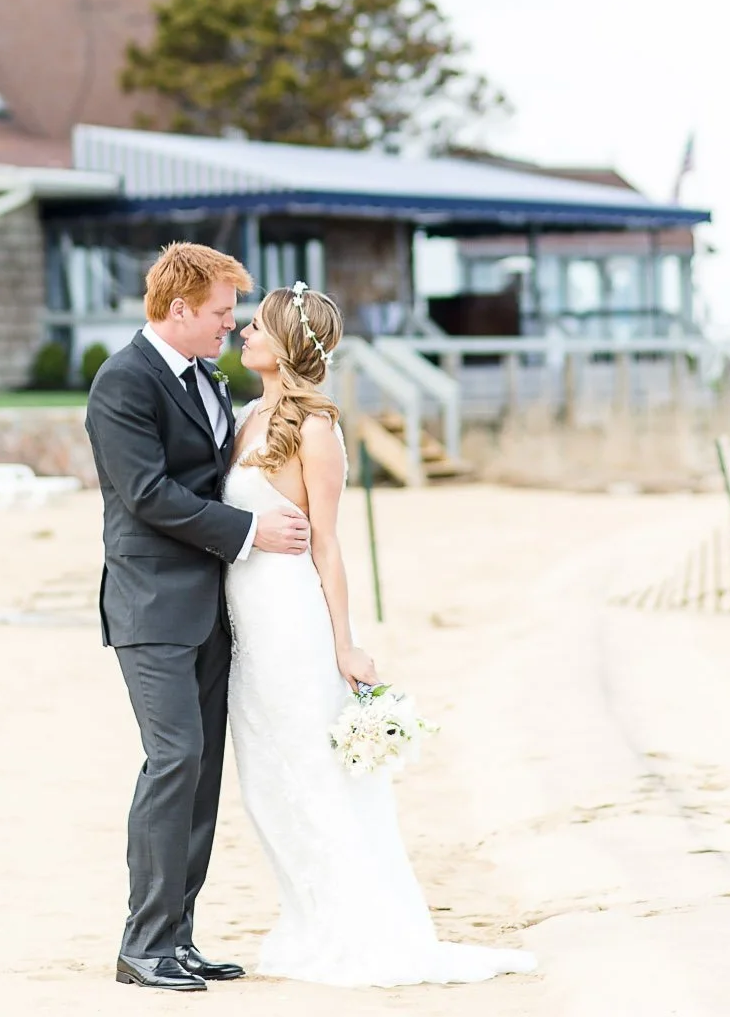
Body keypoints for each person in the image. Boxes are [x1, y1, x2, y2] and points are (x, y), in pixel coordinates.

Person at [225, 281, 537, 987]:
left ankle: (355, 929)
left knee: (312, 776)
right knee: (267, 783)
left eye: (258, 325)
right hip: (247, 632)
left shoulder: (316, 429)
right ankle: (307, 919)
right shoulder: (246, 415)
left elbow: (328, 546)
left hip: (294, 625)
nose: (244, 329)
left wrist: (344, 644)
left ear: (287, 345)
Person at [84, 242, 312, 993]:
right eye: (220, 312)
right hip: (151, 606)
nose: (230, 324)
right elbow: (146, 493)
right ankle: (142, 942)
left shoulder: (208, 377)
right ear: (178, 308)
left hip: (214, 605)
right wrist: (248, 533)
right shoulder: (122, 381)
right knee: (174, 758)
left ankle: (177, 937)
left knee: (202, 772)